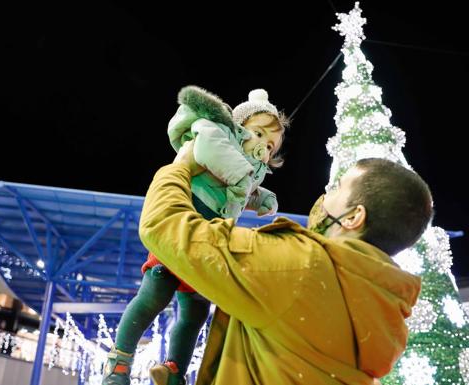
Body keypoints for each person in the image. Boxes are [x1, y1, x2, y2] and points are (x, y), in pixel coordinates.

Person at [137, 144, 433, 384]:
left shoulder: (301, 265)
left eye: (337, 188)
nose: (325, 194)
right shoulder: (383, 306)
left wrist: (181, 166)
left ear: (354, 217)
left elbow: (165, 227)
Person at [102, 86, 289, 385]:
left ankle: (174, 370)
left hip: (208, 241)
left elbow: (240, 192)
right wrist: (244, 178)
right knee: (154, 294)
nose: (263, 149)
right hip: (183, 226)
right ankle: (118, 363)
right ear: (238, 127)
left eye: (270, 146)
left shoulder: (248, 171)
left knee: (195, 312)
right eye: (258, 135)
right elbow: (209, 151)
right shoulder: (219, 136)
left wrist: (261, 198)